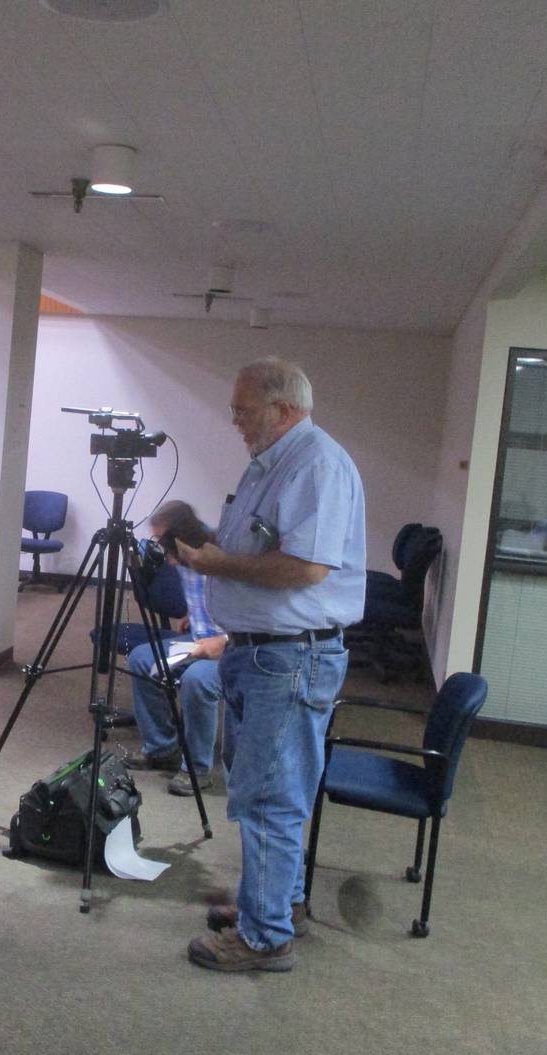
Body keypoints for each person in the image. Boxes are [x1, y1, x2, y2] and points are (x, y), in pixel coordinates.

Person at [177, 357, 365, 974]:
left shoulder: (313, 464)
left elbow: (304, 569)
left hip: (288, 657)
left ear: (283, 410)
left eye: (243, 410)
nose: (234, 421)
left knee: (268, 798)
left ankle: (265, 938)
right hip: (264, 652)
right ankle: (277, 903)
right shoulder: (276, 463)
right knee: (269, 789)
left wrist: (214, 566)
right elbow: (262, 548)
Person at [123, 499, 226, 797]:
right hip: (199, 635)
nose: (167, 558)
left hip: (231, 645)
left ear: (181, 535)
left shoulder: (220, 553)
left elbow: (257, 611)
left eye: (167, 545)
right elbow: (201, 591)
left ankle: (196, 769)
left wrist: (223, 641)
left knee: (198, 680)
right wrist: (193, 615)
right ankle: (161, 748)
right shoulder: (182, 552)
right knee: (143, 658)